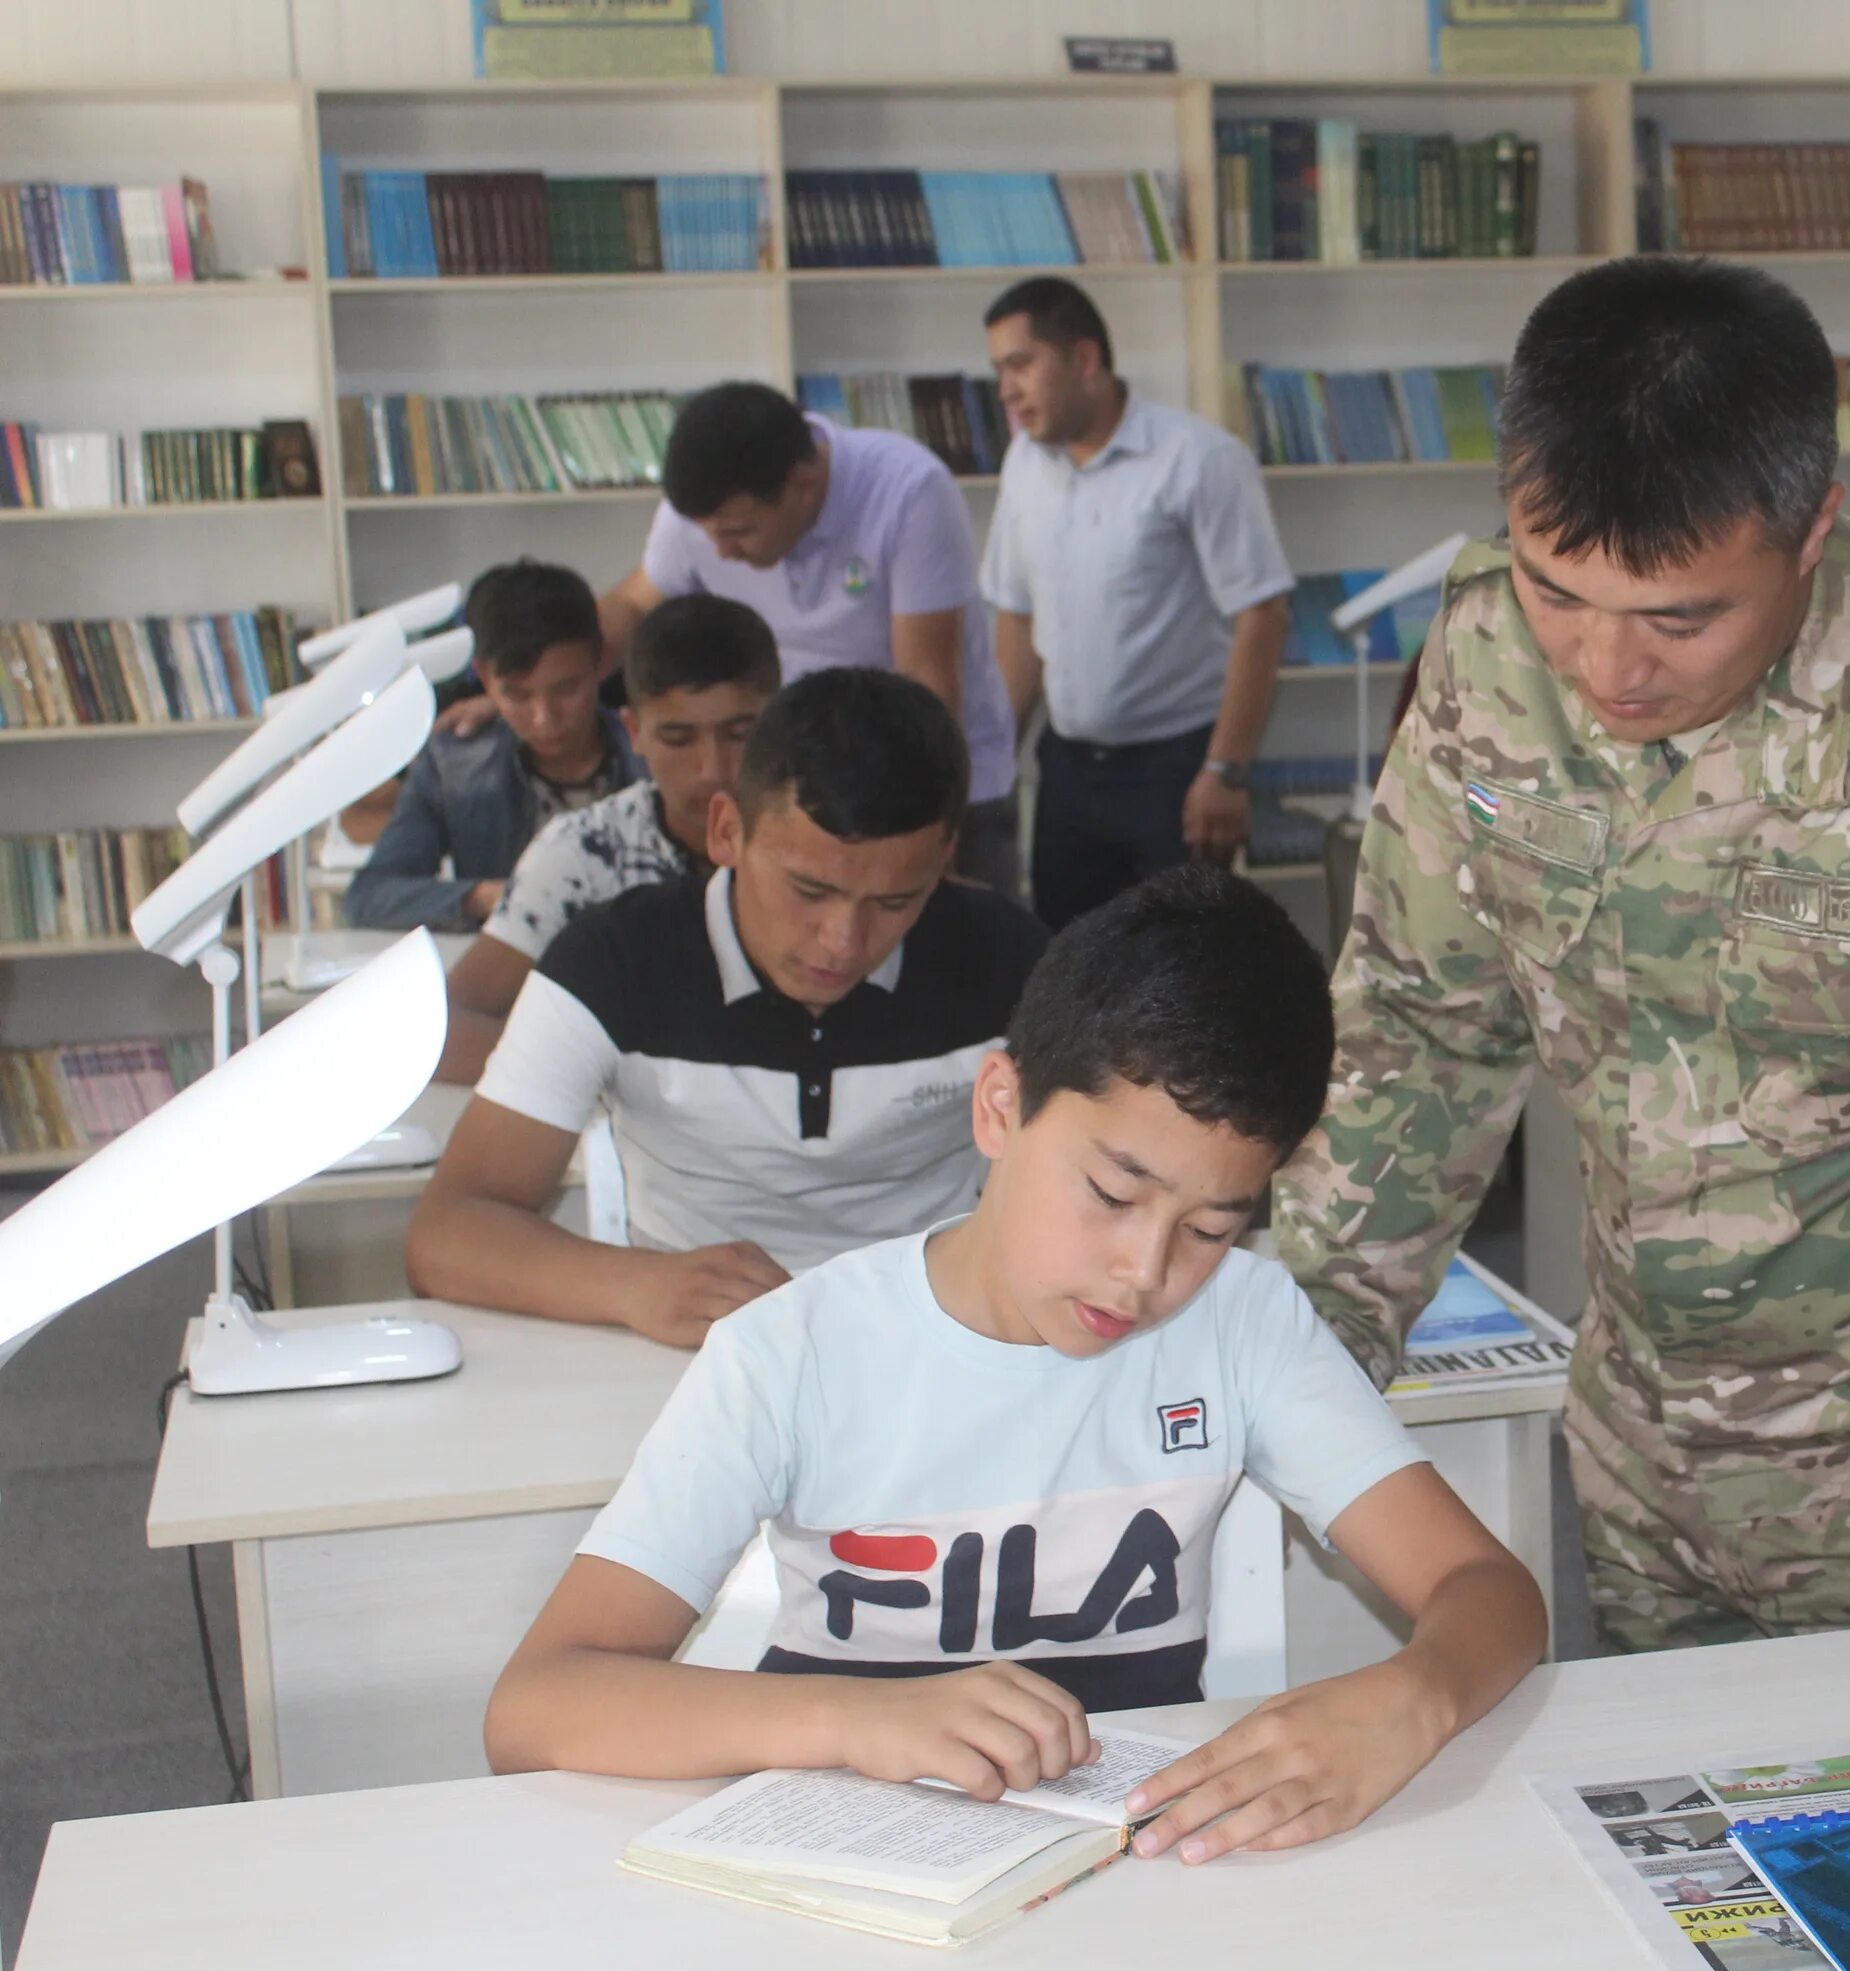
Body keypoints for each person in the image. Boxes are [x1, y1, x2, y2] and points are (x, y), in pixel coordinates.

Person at [1273, 257, 1850, 1779]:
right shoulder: (1489, 655)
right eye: (1562, 591)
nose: (1607, 668)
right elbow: (1422, 1034)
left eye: (1681, 619)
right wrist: (1289, 1366)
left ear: (1813, 530)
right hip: (1640, 1468)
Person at [481, 868, 1546, 1869]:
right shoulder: (792, 1349)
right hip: (850, 1871)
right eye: (1113, 1192)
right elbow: (539, 1704)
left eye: (1211, 1225)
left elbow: (1488, 1593)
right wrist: (859, 1718)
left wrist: (1412, 1696)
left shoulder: (1241, 1322)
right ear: (1000, 1106)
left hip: (1131, 1872)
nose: (1144, 1271)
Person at [407, 669, 1051, 1349]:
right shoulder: (612, 962)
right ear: (726, 831)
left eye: (895, 902)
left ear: (944, 861)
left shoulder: (1014, 964)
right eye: (808, 889)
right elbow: (448, 1231)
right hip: (687, 1351)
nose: (842, 941)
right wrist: (637, 1285)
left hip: (936, 1341)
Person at [594, 381, 1023, 894]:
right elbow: (634, 606)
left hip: (941, 780)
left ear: (802, 483)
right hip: (803, 787)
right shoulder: (707, 514)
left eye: (740, 532)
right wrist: (542, 677)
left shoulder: (907, 491)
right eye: (709, 534)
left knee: (961, 954)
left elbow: (928, 684)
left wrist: (926, 835)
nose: (721, 551)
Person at [978, 277, 1295, 927]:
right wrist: (992, 759)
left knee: (1182, 970)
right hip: (1067, 771)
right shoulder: (1024, 464)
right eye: (998, 371)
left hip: (1176, 772)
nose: (1006, 391)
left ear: (1085, 360)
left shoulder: (1198, 460)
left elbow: (1262, 616)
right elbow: (1018, 618)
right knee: (1070, 965)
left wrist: (1226, 773)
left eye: (1021, 364)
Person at [436, 594, 780, 1084]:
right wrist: (618, 1079)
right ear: (633, 730)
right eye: (678, 740)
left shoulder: (836, 842)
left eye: (740, 734)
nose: (712, 771)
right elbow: (445, 1027)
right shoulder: (580, 854)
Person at [344, 560, 638, 931]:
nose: (543, 718)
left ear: (601, 663)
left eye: (566, 689)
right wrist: (488, 897)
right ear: (483, 677)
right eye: (517, 695)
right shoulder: (456, 763)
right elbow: (369, 897)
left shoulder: (650, 754)